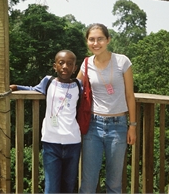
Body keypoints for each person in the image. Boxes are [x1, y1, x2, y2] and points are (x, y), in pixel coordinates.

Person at [10, 50, 82, 194]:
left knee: (68, 185)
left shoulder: (78, 85)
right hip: (51, 142)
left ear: (75, 68)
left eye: (69, 64)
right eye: (61, 63)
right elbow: (33, 89)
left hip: (73, 142)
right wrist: (17, 87)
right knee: (51, 188)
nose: (65, 67)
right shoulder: (48, 82)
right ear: (55, 66)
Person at [77, 23, 137, 193]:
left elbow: (130, 95)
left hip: (118, 125)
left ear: (108, 40)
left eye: (100, 39)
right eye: (92, 39)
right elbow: (74, 87)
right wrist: (46, 85)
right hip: (93, 125)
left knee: (114, 181)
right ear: (87, 41)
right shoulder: (86, 63)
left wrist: (132, 126)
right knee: (88, 180)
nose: (96, 43)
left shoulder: (122, 61)